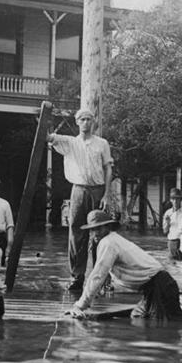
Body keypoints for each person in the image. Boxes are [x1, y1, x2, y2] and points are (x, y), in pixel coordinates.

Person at [67, 210, 182, 322]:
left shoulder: (108, 243)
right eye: (92, 230)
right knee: (137, 316)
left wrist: (80, 305)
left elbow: (97, 276)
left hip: (160, 286)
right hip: (154, 287)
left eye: (98, 228)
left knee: (160, 326)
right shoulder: (112, 239)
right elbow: (105, 274)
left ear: (107, 227)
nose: (95, 233)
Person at [47, 107, 116, 294]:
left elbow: (108, 169)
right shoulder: (70, 142)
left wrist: (107, 194)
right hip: (78, 190)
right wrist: (45, 118)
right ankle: (77, 277)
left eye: (89, 119)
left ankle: (102, 277)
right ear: (77, 122)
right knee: (76, 233)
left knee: (100, 234)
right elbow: (48, 138)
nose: (86, 122)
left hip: (98, 190)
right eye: (82, 119)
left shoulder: (102, 143)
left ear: (93, 122)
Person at [161, 186, 182, 259]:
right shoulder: (168, 213)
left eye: (178, 199)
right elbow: (165, 231)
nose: (175, 201)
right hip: (172, 241)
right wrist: (167, 222)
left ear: (181, 200)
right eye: (173, 199)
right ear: (170, 200)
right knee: (171, 264)